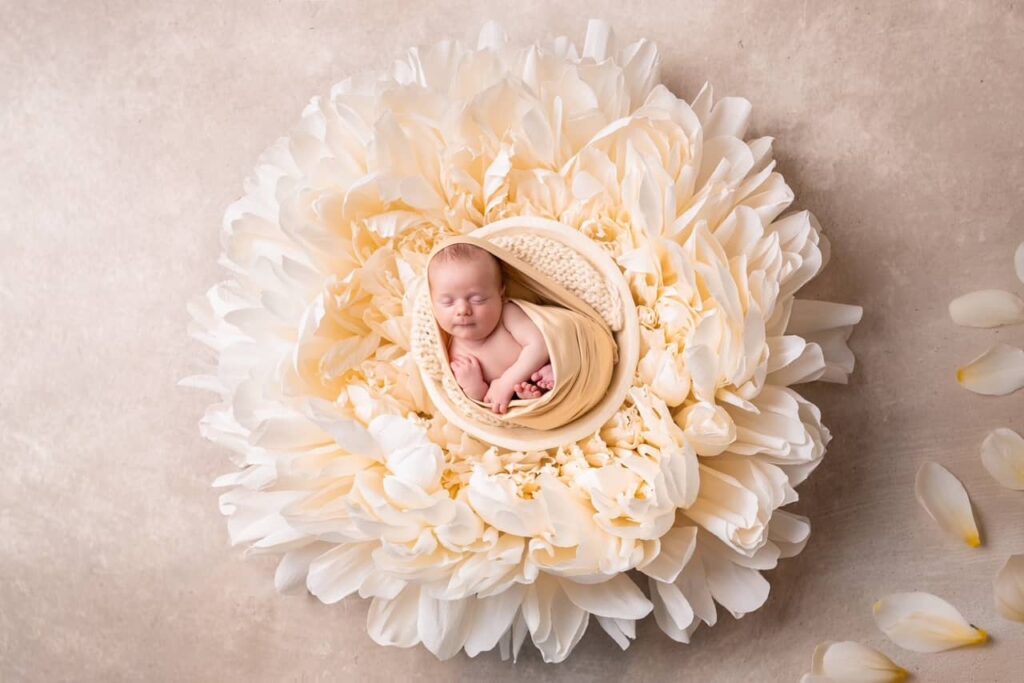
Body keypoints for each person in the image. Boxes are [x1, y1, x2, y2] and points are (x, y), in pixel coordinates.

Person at [427, 242, 554, 415]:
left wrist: (506, 383)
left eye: (477, 299)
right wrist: (474, 386)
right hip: (514, 397)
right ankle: (530, 397)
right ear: (433, 305)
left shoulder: (507, 315)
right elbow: (485, 402)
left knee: (559, 356)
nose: (463, 310)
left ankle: (551, 373)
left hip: (540, 366)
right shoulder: (455, 356)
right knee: (512, 404)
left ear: (500, 295)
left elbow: (541, 345)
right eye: (448, 302)